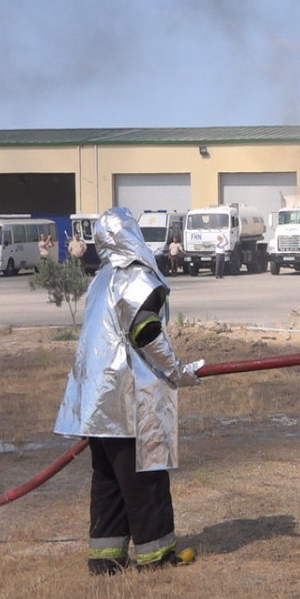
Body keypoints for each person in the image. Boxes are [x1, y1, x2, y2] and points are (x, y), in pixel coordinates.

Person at [54, 207, 203, 575]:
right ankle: (157, 554)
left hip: (95, 401)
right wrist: (178, 371)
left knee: (108, 480)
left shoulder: (102, 278)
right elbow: (145, 333)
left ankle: (105, 558)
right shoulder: (135, 277)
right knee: (144, 478)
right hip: (127, 398)